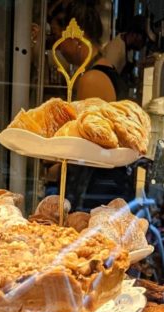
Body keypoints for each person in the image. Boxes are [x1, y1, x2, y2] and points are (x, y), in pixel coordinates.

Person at [53, 0, 138, 210]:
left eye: (58, 39)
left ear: (75, 39)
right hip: (107, 185)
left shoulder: (92, 79)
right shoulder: (107, 69)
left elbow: (90, 146)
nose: (59, 49)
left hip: (97, 190)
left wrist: (57, 163)